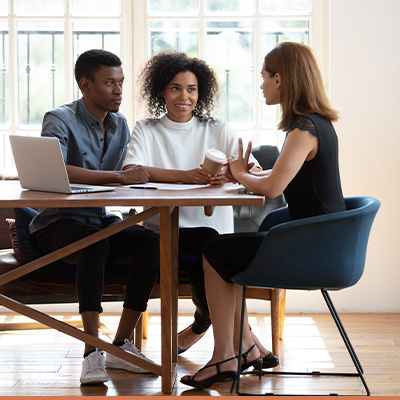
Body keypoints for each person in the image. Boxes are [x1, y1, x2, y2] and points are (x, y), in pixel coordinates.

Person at [181, 41, 346, 389]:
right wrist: (241, 175)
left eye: (264, 77)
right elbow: (274, 179)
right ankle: (241, 349)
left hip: (314, 247)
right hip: (320, 239)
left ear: (280, 79)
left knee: (214, 252)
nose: (260, 85)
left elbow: (272, 189)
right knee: (224, 251)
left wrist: (241, 174)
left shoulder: (305, 130)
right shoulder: (315, 124)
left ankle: (228, 355)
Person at [122, 51, 277, 363]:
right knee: (210, 250)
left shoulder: (217, 128)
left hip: (216, 233)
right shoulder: (147, 129)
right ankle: (246, 343)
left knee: (213, 247)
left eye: (191, 89)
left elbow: (255, 171)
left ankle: (231, 340)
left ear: (200, 92)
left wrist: (232, 173)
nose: (184, 96)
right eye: (175, 88)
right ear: (161, 92)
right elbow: (131, 171)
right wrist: (184, 177)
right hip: (166, 233)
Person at [30, 49, 160, 385]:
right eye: (109, 83)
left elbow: (128, 172)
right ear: (85, 85)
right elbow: (55, 170)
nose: (118, 90)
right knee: (95, 243)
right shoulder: (59, 118)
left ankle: (120, 345)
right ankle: (91, 351)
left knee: (151, 243)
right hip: (57, 224)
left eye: (121, 83)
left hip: (99, 220)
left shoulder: (120, 124)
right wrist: (118, 179)